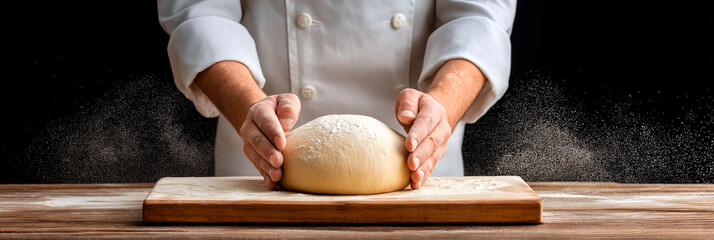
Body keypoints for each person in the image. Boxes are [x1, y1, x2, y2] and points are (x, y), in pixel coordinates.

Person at [157, 0, 516, 190]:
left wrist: (445, 104)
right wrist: (249, 104)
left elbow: (478, 20)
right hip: (263, 164)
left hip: (422, 168)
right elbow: (201, 14)